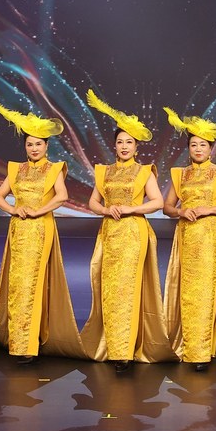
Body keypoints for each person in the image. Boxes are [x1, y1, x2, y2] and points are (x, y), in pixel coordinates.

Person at [80, 89, 174, 371]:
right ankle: (113, 346)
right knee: (110, 287)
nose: (124, 146)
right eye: (120, 142)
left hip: (133, 232)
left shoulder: (144, 171)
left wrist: (131, 209)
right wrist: (106, 210)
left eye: (129, 142)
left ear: (136, 147)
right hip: (110, 231)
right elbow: (93, 202)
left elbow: (157, 202)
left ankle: (126, 349)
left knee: (128, 288)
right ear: (114, 146)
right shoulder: (104, 171)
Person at [0, 99, 86, 363]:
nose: (33, 148)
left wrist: (38, 211)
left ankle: (30, 341)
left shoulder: (54, 169)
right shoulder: (16, 169)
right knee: (18, 282)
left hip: (40, 229)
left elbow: (62, 196)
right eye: (30, 144)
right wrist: (14, 209)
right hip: (19, 229)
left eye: (38, 144)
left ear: (46, 146)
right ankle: (18, 340)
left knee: (34, 282)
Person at [160, 106, 216, 371]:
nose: (198, 149)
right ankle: (190, 345)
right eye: (194, 145)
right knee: (188, 289)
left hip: (210, 234)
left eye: (203, 145)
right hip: (187, 233)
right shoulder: (180, 174)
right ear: (189, 148)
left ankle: (204, 348)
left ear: (211, 149)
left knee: (206, 289)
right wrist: (180, 211)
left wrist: (210, 209)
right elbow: (167, 207)